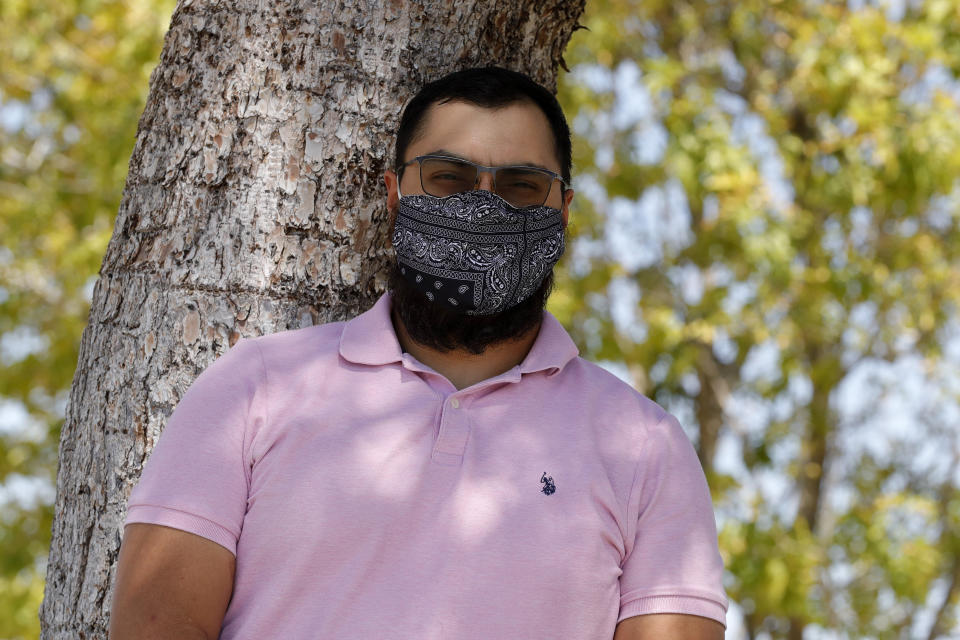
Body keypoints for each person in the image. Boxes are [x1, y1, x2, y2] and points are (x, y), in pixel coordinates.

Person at [110, 67, 728, 640]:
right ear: (395, 193)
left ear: (563, 210)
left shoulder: (643, 447)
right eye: (448, 178)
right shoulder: (257, 388)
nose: (483, 206)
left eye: (520, 186)